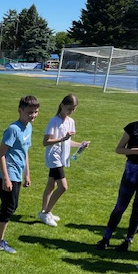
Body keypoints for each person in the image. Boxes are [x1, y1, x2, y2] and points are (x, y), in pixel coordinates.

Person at [96, 96, 138, 251]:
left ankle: (128, 241)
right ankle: (106, 238)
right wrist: (136, 151)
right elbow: (119, 149)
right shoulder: (133, 127)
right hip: (132, 171)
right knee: (121, 205)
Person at [0, 95, 40, 254]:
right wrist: (6, 178)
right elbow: (0, 154)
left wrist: (27, 174)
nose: (33, 115)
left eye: (36, 112)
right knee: (9, 208)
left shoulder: (28, 127)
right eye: (30, 112)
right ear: (20, 111)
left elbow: (25, 152)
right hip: (6, 175)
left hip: (17, 174)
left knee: (8, 207)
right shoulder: (13, 129)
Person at [38, 94, 89, 227]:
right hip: (54, 157)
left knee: (51, 185)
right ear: (62, 106)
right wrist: (62, 139)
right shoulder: (54, 121)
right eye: (69, 108)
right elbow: (46, 142)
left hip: (62, 157)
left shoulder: (71, 122)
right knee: (63, 187)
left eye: (74, 109)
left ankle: (44, 211)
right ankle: (46, 213)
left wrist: (81, 145)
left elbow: (68, 142)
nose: (71, 111)